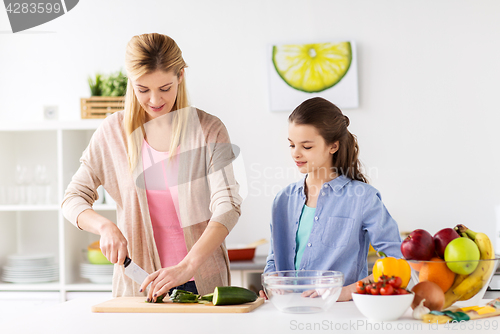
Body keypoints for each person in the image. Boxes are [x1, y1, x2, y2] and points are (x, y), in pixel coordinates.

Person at [62, 33, 242, 302]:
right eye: (143, 89)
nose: (155, 100)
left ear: (180, 75)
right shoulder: (112, 133)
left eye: (165, 88)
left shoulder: (208, 130)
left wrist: (186, 267)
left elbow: (227, 205)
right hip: (138, 284)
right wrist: (104, 227)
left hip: (200, 284)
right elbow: (72, 199)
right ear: (130, 81)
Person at [260, 97, 402, 301]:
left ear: (333, 146)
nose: (296, 154)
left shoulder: (363, 198)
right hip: (288, 310)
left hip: (342, 313)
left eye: (306, 147)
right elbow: (273, 261)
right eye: (292, 145)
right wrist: (271, 284)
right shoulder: (283, 200)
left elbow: (398, 264)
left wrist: (345, 291)